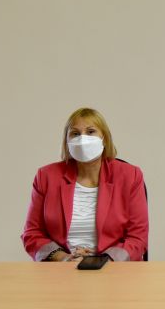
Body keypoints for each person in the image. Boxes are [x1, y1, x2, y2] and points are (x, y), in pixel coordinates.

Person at [22, 107, 148, 262]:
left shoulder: (130, 176)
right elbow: (32, 233)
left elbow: (138, 237)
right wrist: (64, 258)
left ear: (104, 138)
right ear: (67, 142)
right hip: (61, 269)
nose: (82, 139)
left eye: (90, 132)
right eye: (75, 134)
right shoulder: (46, 176)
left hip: (114, 269)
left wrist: (100, 261)